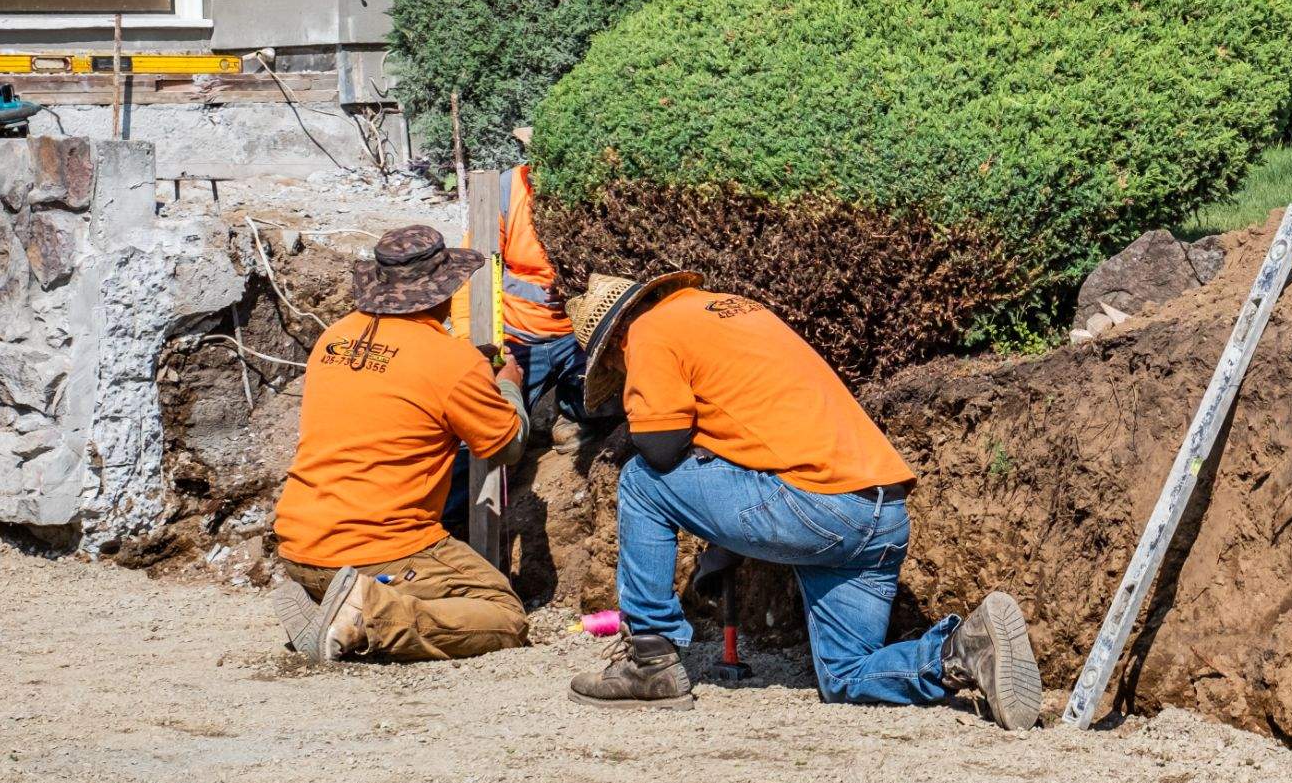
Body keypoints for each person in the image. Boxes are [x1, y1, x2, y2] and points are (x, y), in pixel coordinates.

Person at [563, 271, 1041, 727]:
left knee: (641, 481)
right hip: (880, 513)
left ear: (615, 342)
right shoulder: (728, 311)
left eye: (614, 367)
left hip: (818, 506)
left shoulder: (647, 330)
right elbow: (760, 426)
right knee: (846, 675)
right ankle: (961, 650)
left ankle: (649, 659)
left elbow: (661, 449)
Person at [268, 224, 532, 664]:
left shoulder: (333, 338)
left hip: (300, 544)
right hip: (377, 551)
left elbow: (396, 386)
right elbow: (506, 446)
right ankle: (368, 613)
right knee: (504, 615)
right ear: (446, 291)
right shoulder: (452, 361)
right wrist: (506, 388)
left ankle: (329, 601)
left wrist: (466, 374)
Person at [498, 127, 582, 431]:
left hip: (576, 338)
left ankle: (568, 414)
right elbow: (477, 271)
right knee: (502, 423)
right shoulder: (510, 187)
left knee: (597, 401)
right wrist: (480, 345)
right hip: (518, 338)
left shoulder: (588, 193)